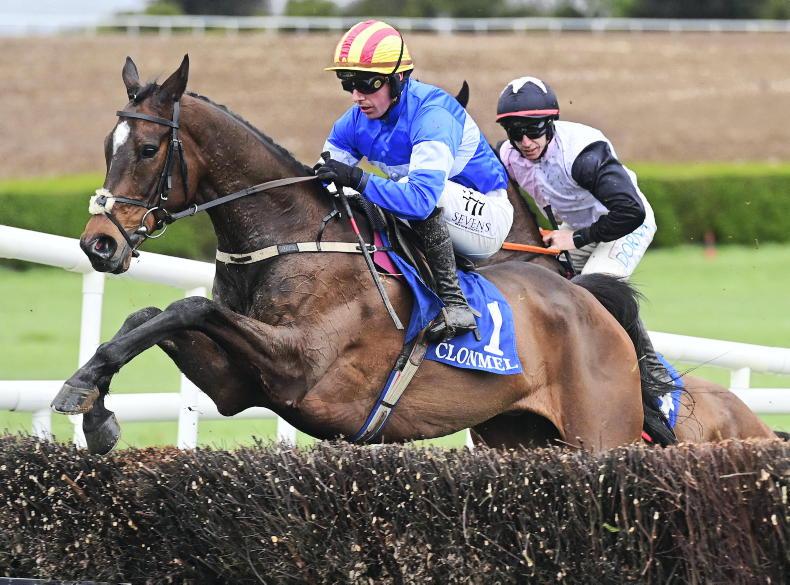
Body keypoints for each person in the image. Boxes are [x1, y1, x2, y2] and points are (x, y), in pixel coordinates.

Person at [495, 75, 675, 444]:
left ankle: (656, 387)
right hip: (578, 226)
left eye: (533, 130)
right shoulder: (507, 154)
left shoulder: (584, 155)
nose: (525, 142)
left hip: (624, 225)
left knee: (592, 296)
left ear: (551, 123)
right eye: (515, 132)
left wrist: (575, 239)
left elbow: (631, 212)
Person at [315, 20, 514, 341]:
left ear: (398, 79)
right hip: (426, 212)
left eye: (366, 84)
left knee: (416, 192)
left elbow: (421, 201)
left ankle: (456, 304)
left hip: (485, 218)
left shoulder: (433, 114)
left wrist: (358, 178)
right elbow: (322, 182)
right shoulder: (351, 123)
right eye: (347, 83)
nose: (356, 96)